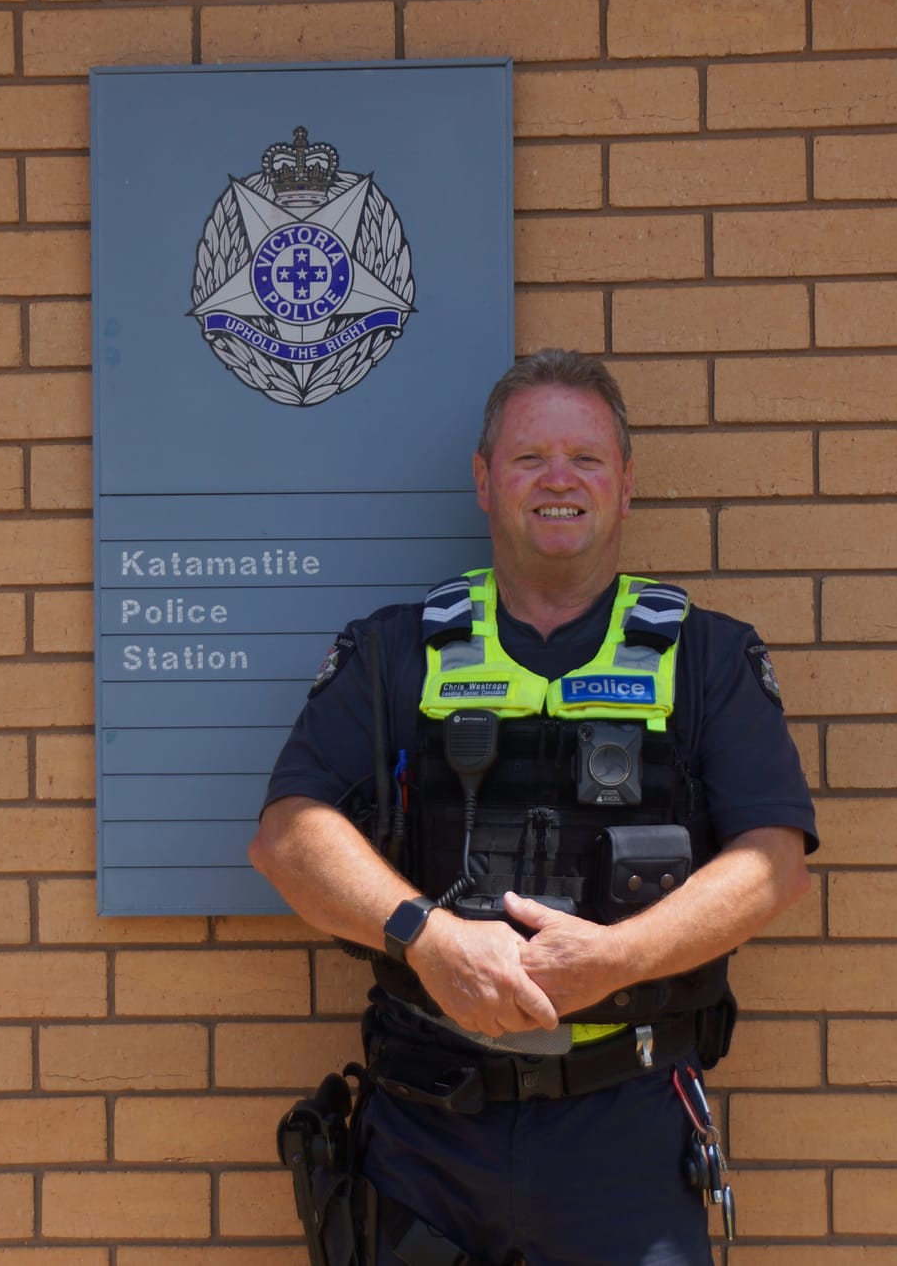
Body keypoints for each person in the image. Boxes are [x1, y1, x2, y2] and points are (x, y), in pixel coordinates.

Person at [252, 349, 818, 1266]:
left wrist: (615, 958)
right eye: (528, 459)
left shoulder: (707, 658)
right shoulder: (396, 652)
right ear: (484, 480)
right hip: (425, 1131)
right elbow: (288, 837)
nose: (559, 479)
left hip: (626, 1128)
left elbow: (775, 863)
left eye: (587, 459)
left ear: (626, 485)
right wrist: (428, 936)